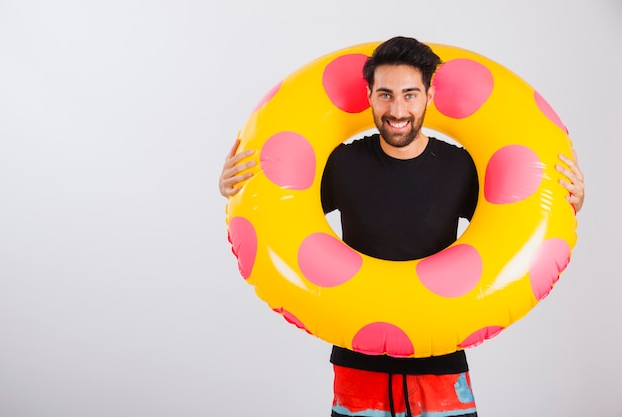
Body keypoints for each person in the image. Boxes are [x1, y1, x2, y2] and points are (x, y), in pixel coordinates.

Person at [219, 37, 585, 417]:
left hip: (439, 357)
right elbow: (280, 206)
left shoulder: (459, 168)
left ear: (429, 96)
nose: (397, 109)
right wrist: (232, 187)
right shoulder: (343, 164)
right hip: (358, 357)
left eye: (410, 95)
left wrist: (570, 201)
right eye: (386, 94)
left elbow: (517, 226)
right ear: (370, 97)